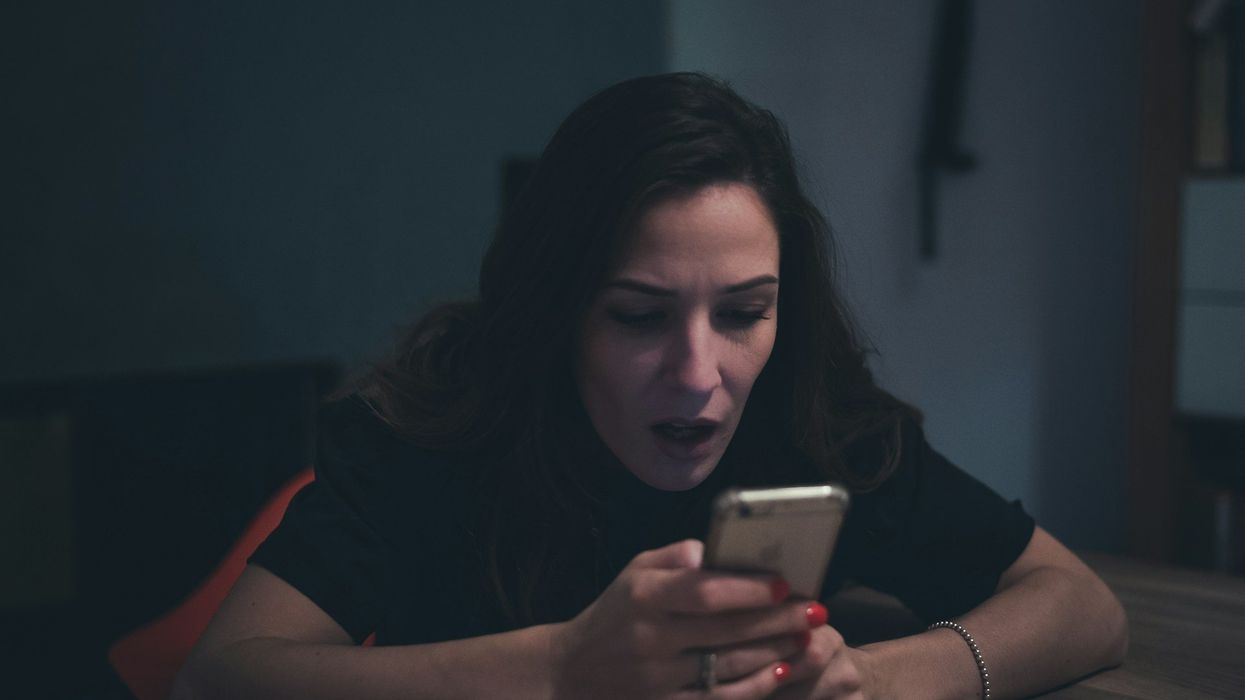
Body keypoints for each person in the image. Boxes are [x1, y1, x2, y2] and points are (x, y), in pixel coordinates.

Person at [173, 73, 1127, 699]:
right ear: (558, 313)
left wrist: (881, 681)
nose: (699, 375)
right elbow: (217, 678)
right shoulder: (434, 432)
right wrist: (558, 668)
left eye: (744, 312)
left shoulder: (815, 424)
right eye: (638, 316)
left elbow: (1080, 603)